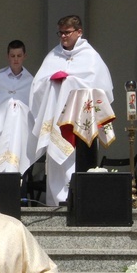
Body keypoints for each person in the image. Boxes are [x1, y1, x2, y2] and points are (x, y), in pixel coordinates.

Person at [30, 15, 114, 205]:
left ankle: (77, 201)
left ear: (79, 32)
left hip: (80, 124)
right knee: (56, 163)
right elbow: (37, 85)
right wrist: (52, 81)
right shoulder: (53, 56)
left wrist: (69, 80)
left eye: (67, 33)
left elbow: (100, 89)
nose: (63, 37)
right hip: (57, 120)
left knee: (75, 162)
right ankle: (55, 203)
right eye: (60, 33)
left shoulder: (90, 57)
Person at [0, 40, 36, 172]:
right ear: (7, 56)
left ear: (24, 56)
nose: (16, 59)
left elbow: (32, 106)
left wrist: (19, 107)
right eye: (13, 56)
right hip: (4, 123)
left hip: (22, 128)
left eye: (19, 56)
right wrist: (9, 107)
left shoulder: (30, 80)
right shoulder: (0, 77)